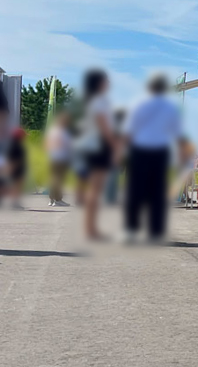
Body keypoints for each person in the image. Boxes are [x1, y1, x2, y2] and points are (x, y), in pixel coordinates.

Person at [123, 73, 180, 241]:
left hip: (138, 151)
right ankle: (155, 231)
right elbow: (175, 132)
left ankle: (131, 230)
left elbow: (129, 130)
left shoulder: (138, 104)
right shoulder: (170, 107)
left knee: (135, 192)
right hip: (159, 151)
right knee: (157, 193)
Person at [77, 69, 116, 240]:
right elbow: (104, 126)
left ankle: (90, 227)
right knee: (96, 189)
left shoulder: (92, 100)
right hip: (99, 147)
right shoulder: (100, 101)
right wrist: (114, 145)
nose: (108, 83)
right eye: (106, 80)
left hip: (93, 147)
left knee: (95, 189)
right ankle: (91, 229)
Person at [45, 111, 74, 207]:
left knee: (53, 179)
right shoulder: (62, 132)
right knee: (58, 179)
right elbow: (67, 145)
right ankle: (58, 199)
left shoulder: (52, 131)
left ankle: (52, 199)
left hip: (52, 157)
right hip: (60, 158)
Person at [6, 128, 27, 210]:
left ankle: (15, 202)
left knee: (17, 186)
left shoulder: (16, 145)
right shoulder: (16, 146)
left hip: (18, 168)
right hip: (16, 169)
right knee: (16, 186)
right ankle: (14, 202)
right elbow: (14, 159)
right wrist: (12, 169)